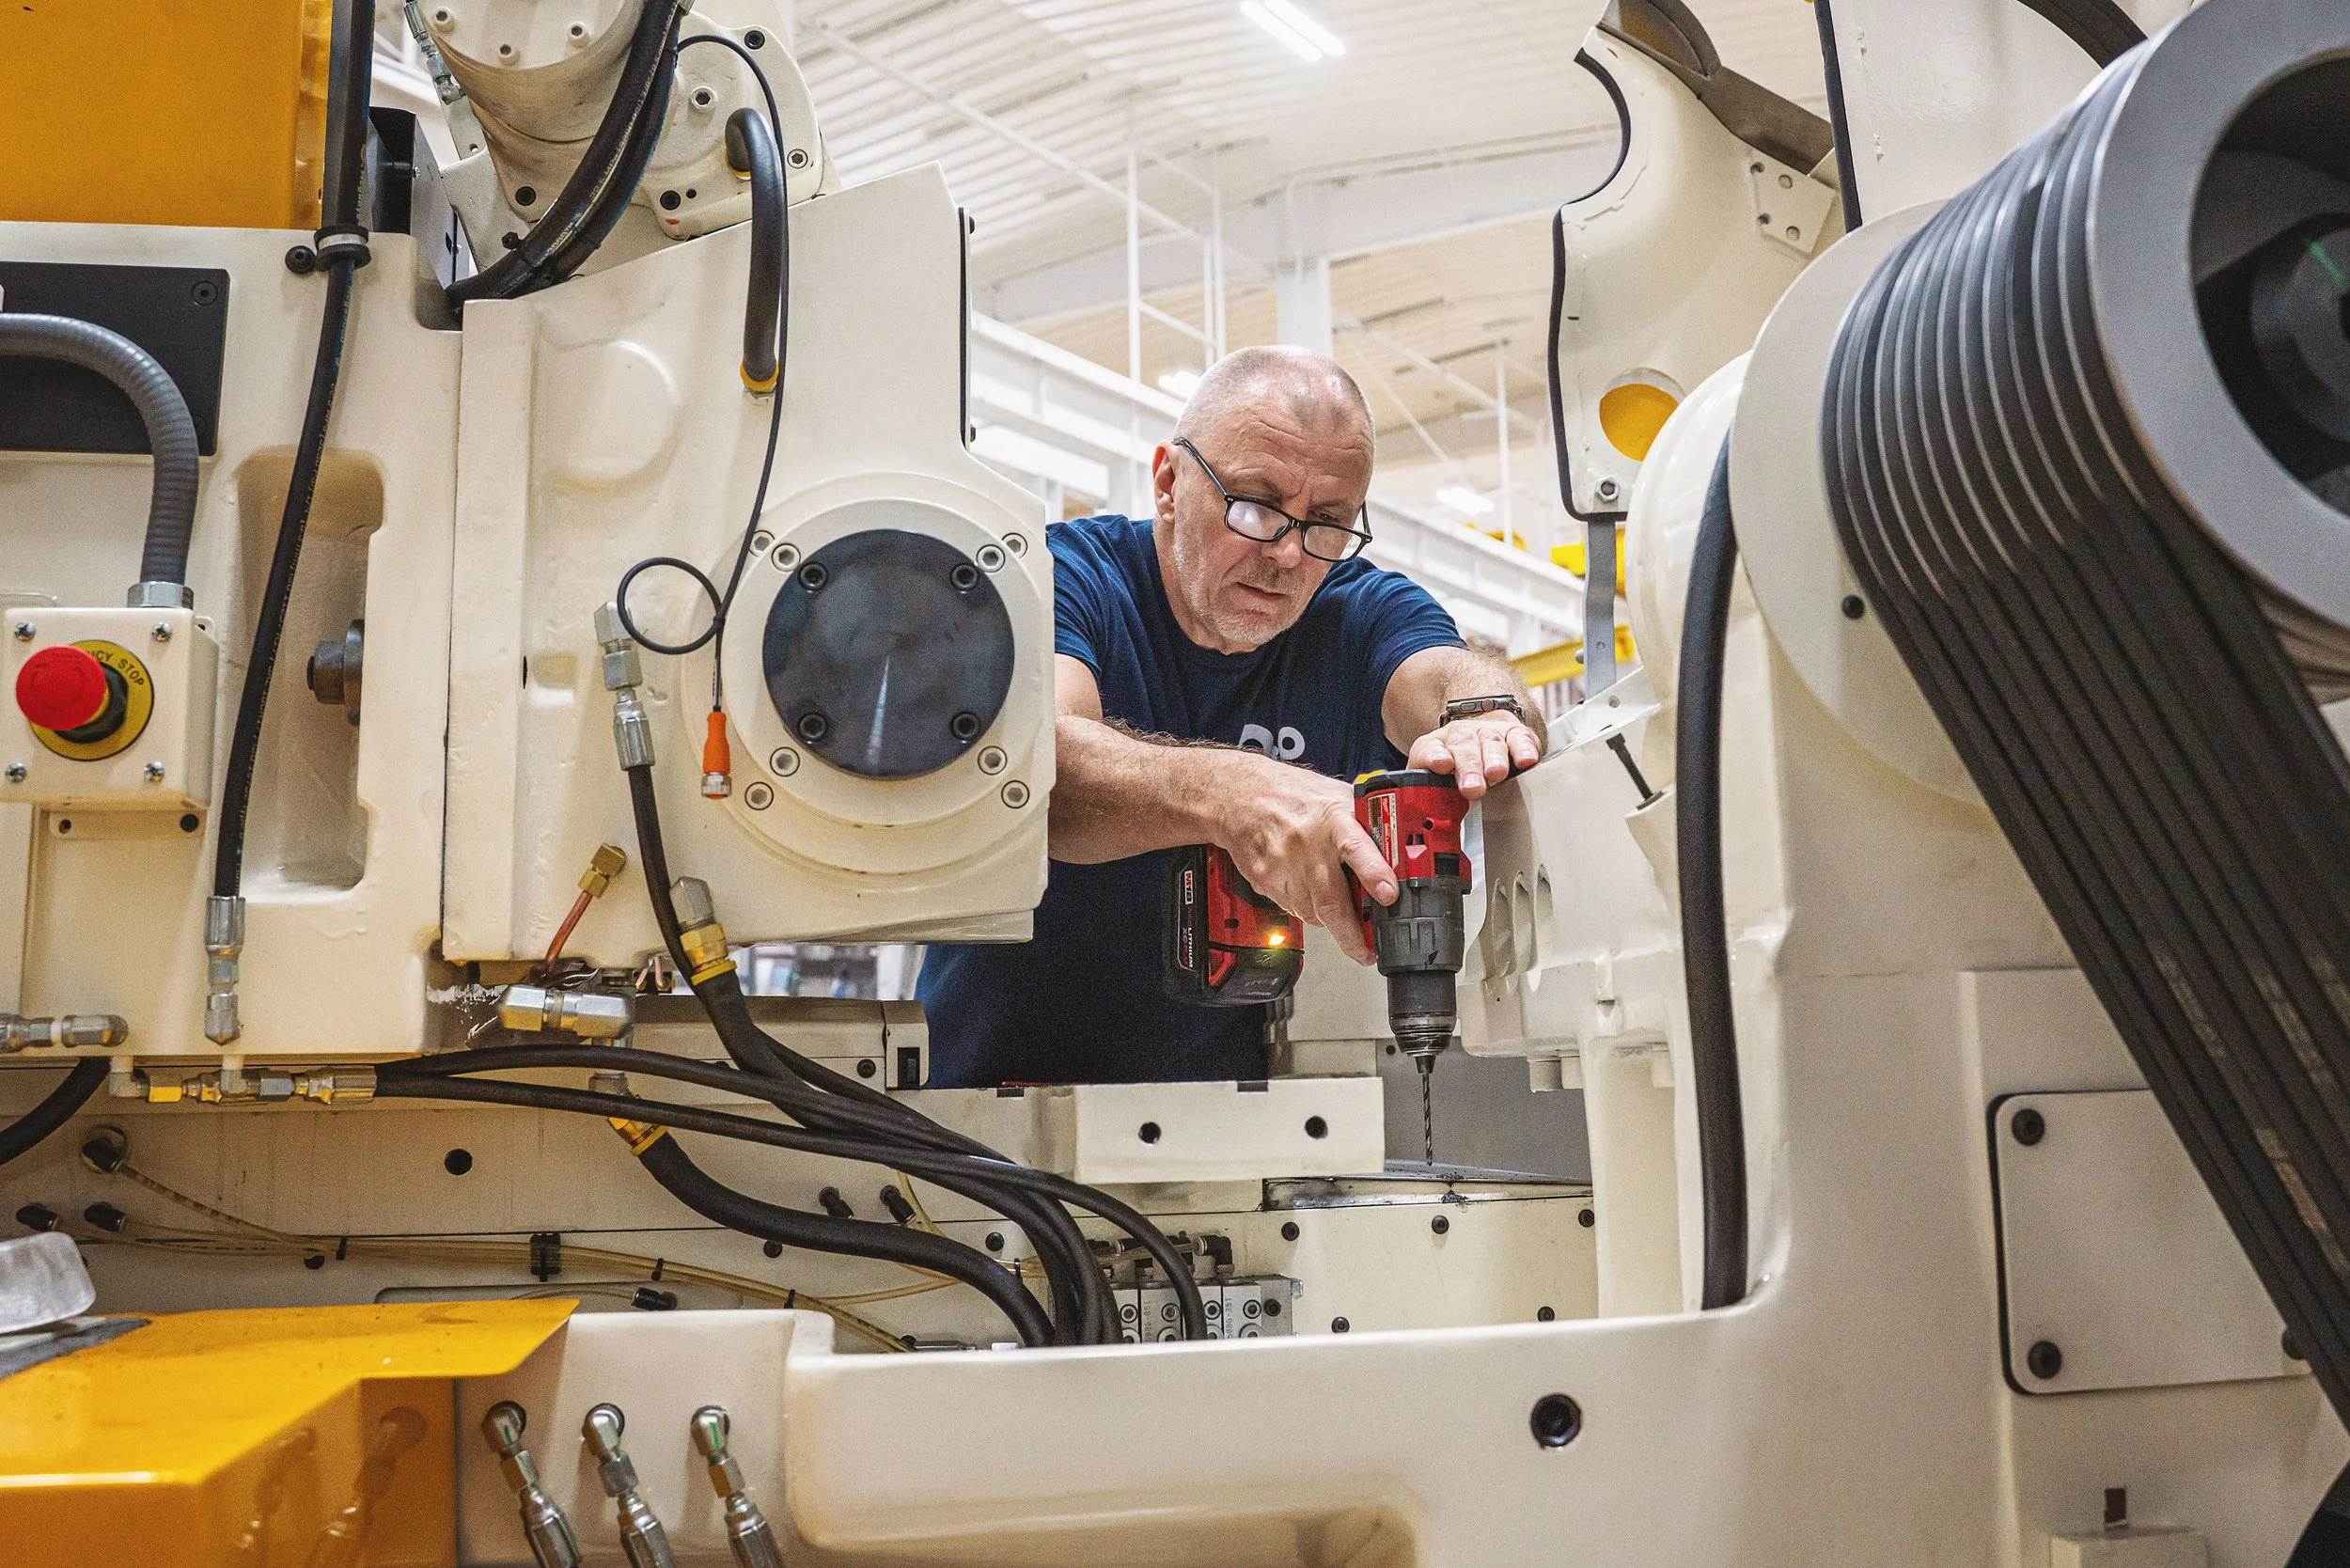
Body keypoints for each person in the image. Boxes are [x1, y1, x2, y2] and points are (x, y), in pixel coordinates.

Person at [919, 346, 1543, 1087]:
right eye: (1255, 507)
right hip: (991, 1109)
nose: (1288, 556)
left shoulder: (1356, 611)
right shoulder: (1071, 577)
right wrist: (1240, 799)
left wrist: (1484, 716)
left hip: (1241, 1125)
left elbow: (1451, 676)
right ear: (1168, 484)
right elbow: (1036, 770)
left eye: (1327, 523)